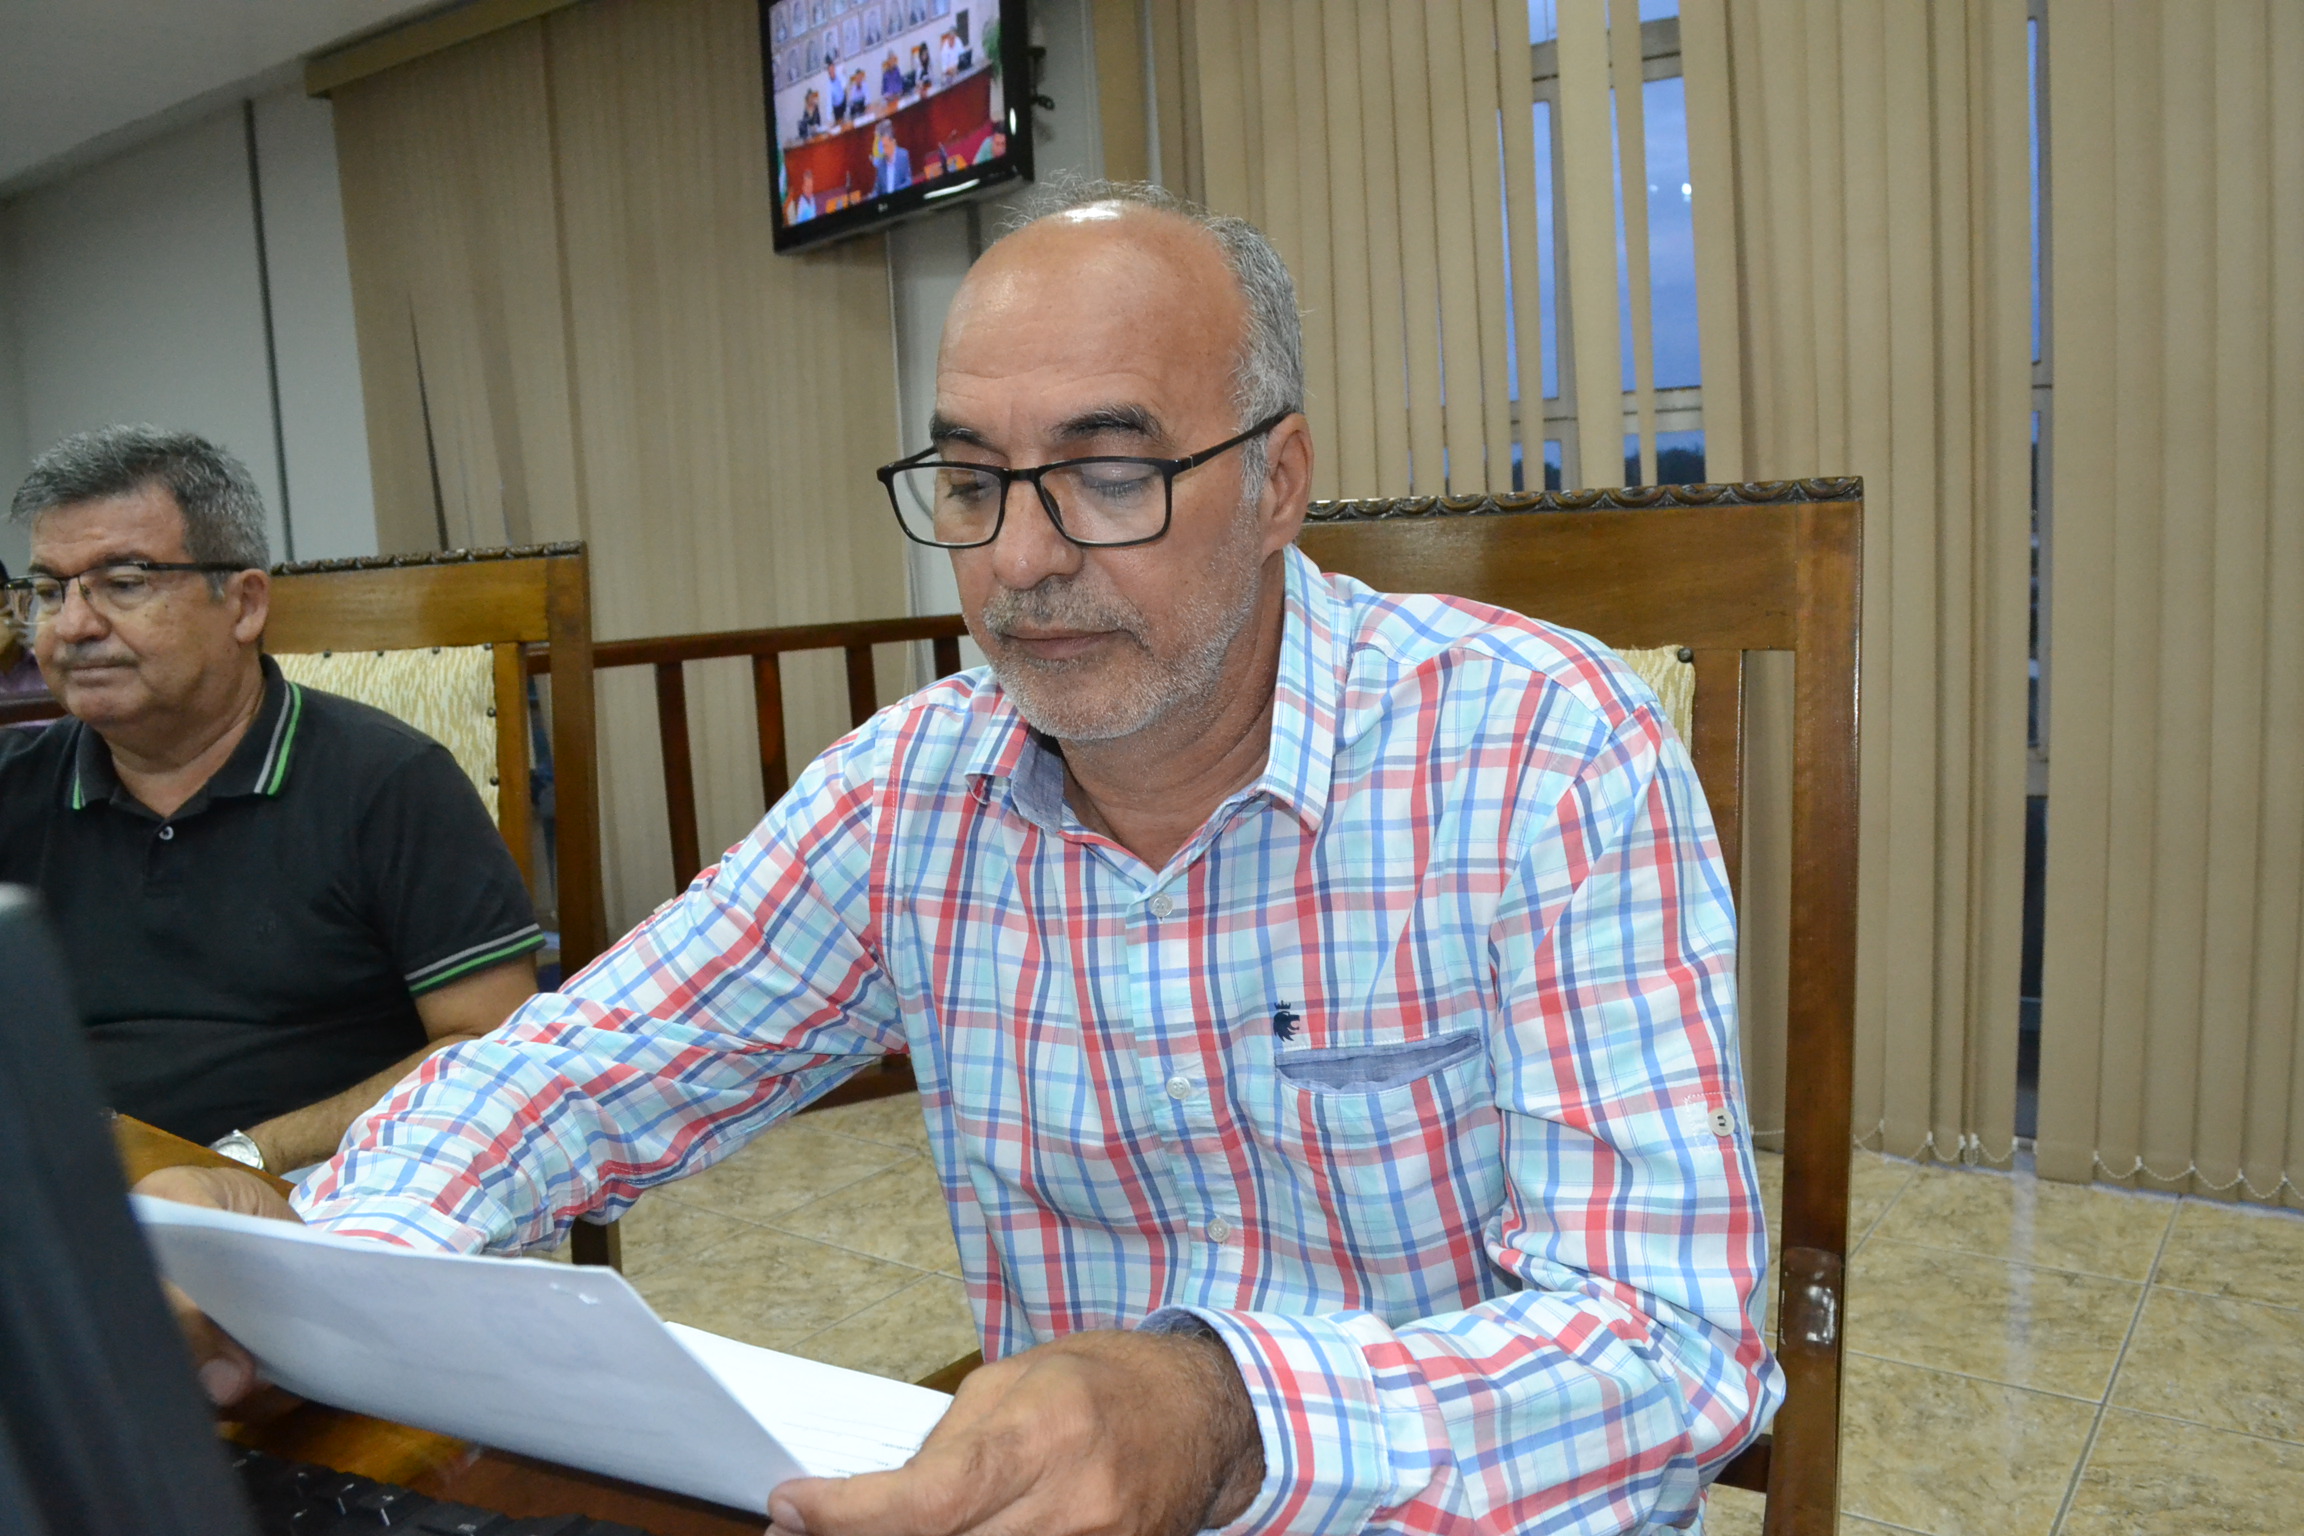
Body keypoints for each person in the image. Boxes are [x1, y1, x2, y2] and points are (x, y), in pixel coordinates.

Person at [151, 185, 1776, 1535]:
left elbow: (1673, 1351)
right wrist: (315, 1262)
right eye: (971, 480)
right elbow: (584, 1062)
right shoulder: (912, 790)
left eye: (1109, 474)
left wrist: (1225, 1416)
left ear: (1276, 482)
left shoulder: (1542, 753)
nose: (1019, 558)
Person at [0, 427, 544, 1176]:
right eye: (48, 592)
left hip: (323, 1187)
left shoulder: (388, 781)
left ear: (245, 604)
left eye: (124, 584)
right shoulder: (15, 786)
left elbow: (492, 1046)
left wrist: (245, 1162)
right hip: (58, 1186)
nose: (72, 626)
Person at [870, 119, 912, 195]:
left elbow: (908, 181)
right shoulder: (881, 163)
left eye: (886, 146)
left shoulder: (903, 156)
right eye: (882, 147)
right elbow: (877, 189)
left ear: (893, 142)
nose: (884, 151)